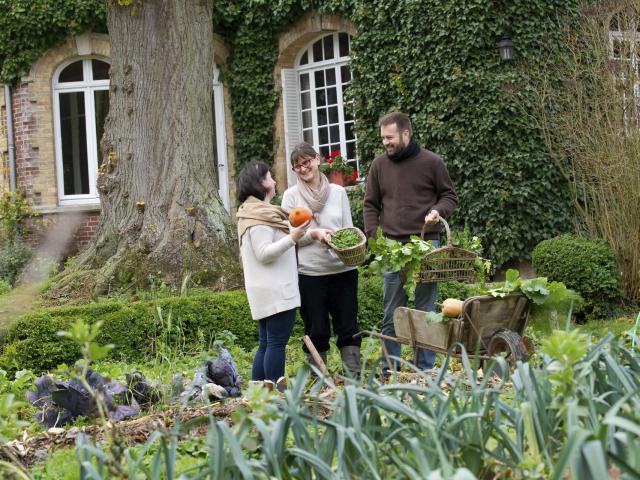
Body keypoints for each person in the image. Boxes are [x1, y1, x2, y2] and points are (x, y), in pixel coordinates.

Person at [363, 112, 458, 373]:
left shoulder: (432, 162)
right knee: (392, 312)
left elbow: (449, 196)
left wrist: (438, 211)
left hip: (427, 246)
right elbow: (370, 204)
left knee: (425, 310)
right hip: (393, 250)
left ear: (406, 134)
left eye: (390, 137)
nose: (385, 142)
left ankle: (424, 370)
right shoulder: (379, 166)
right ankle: (389, 370)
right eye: (383, 138)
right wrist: (375, 237)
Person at [282, 142, 361, 376]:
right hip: (311, 273)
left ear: (317, 160)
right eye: (297, 166)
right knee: (316, 329)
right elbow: (291, 237)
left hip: (343, 271)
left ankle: (353, 377)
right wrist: (315, 235)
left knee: (348, 326)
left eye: (306, 162)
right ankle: (319, 379)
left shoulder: (338, 193)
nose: (303, 168)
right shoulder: (290, 196)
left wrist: (342, 245)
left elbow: (348, 229)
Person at [236, 160, 310, 390]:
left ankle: (257, 394)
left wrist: (313, 235)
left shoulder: (260, 213)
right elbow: (264, 253)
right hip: (276, 290)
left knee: (266, 344)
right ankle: (276, 394)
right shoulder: (257, 216)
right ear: (260, 184)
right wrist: (293, 238)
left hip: (269, 288)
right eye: (269, 177)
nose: (275, 181)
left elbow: (284, 238)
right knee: (276, 344)